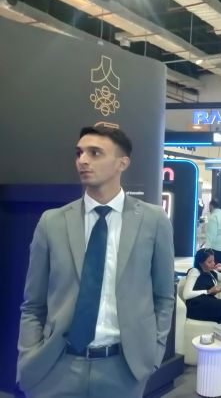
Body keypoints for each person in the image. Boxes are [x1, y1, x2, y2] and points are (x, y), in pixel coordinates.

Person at [17, 126, 175, 398]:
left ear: (122, 163)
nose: (83, 160)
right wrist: (29, 356)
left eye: (95, 153)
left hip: (123, 370)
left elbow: (164, 297)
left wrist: (152, 354)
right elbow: (33, 303)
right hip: (57, 367)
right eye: (79, 153)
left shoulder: (153, 220)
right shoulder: (52, 222)